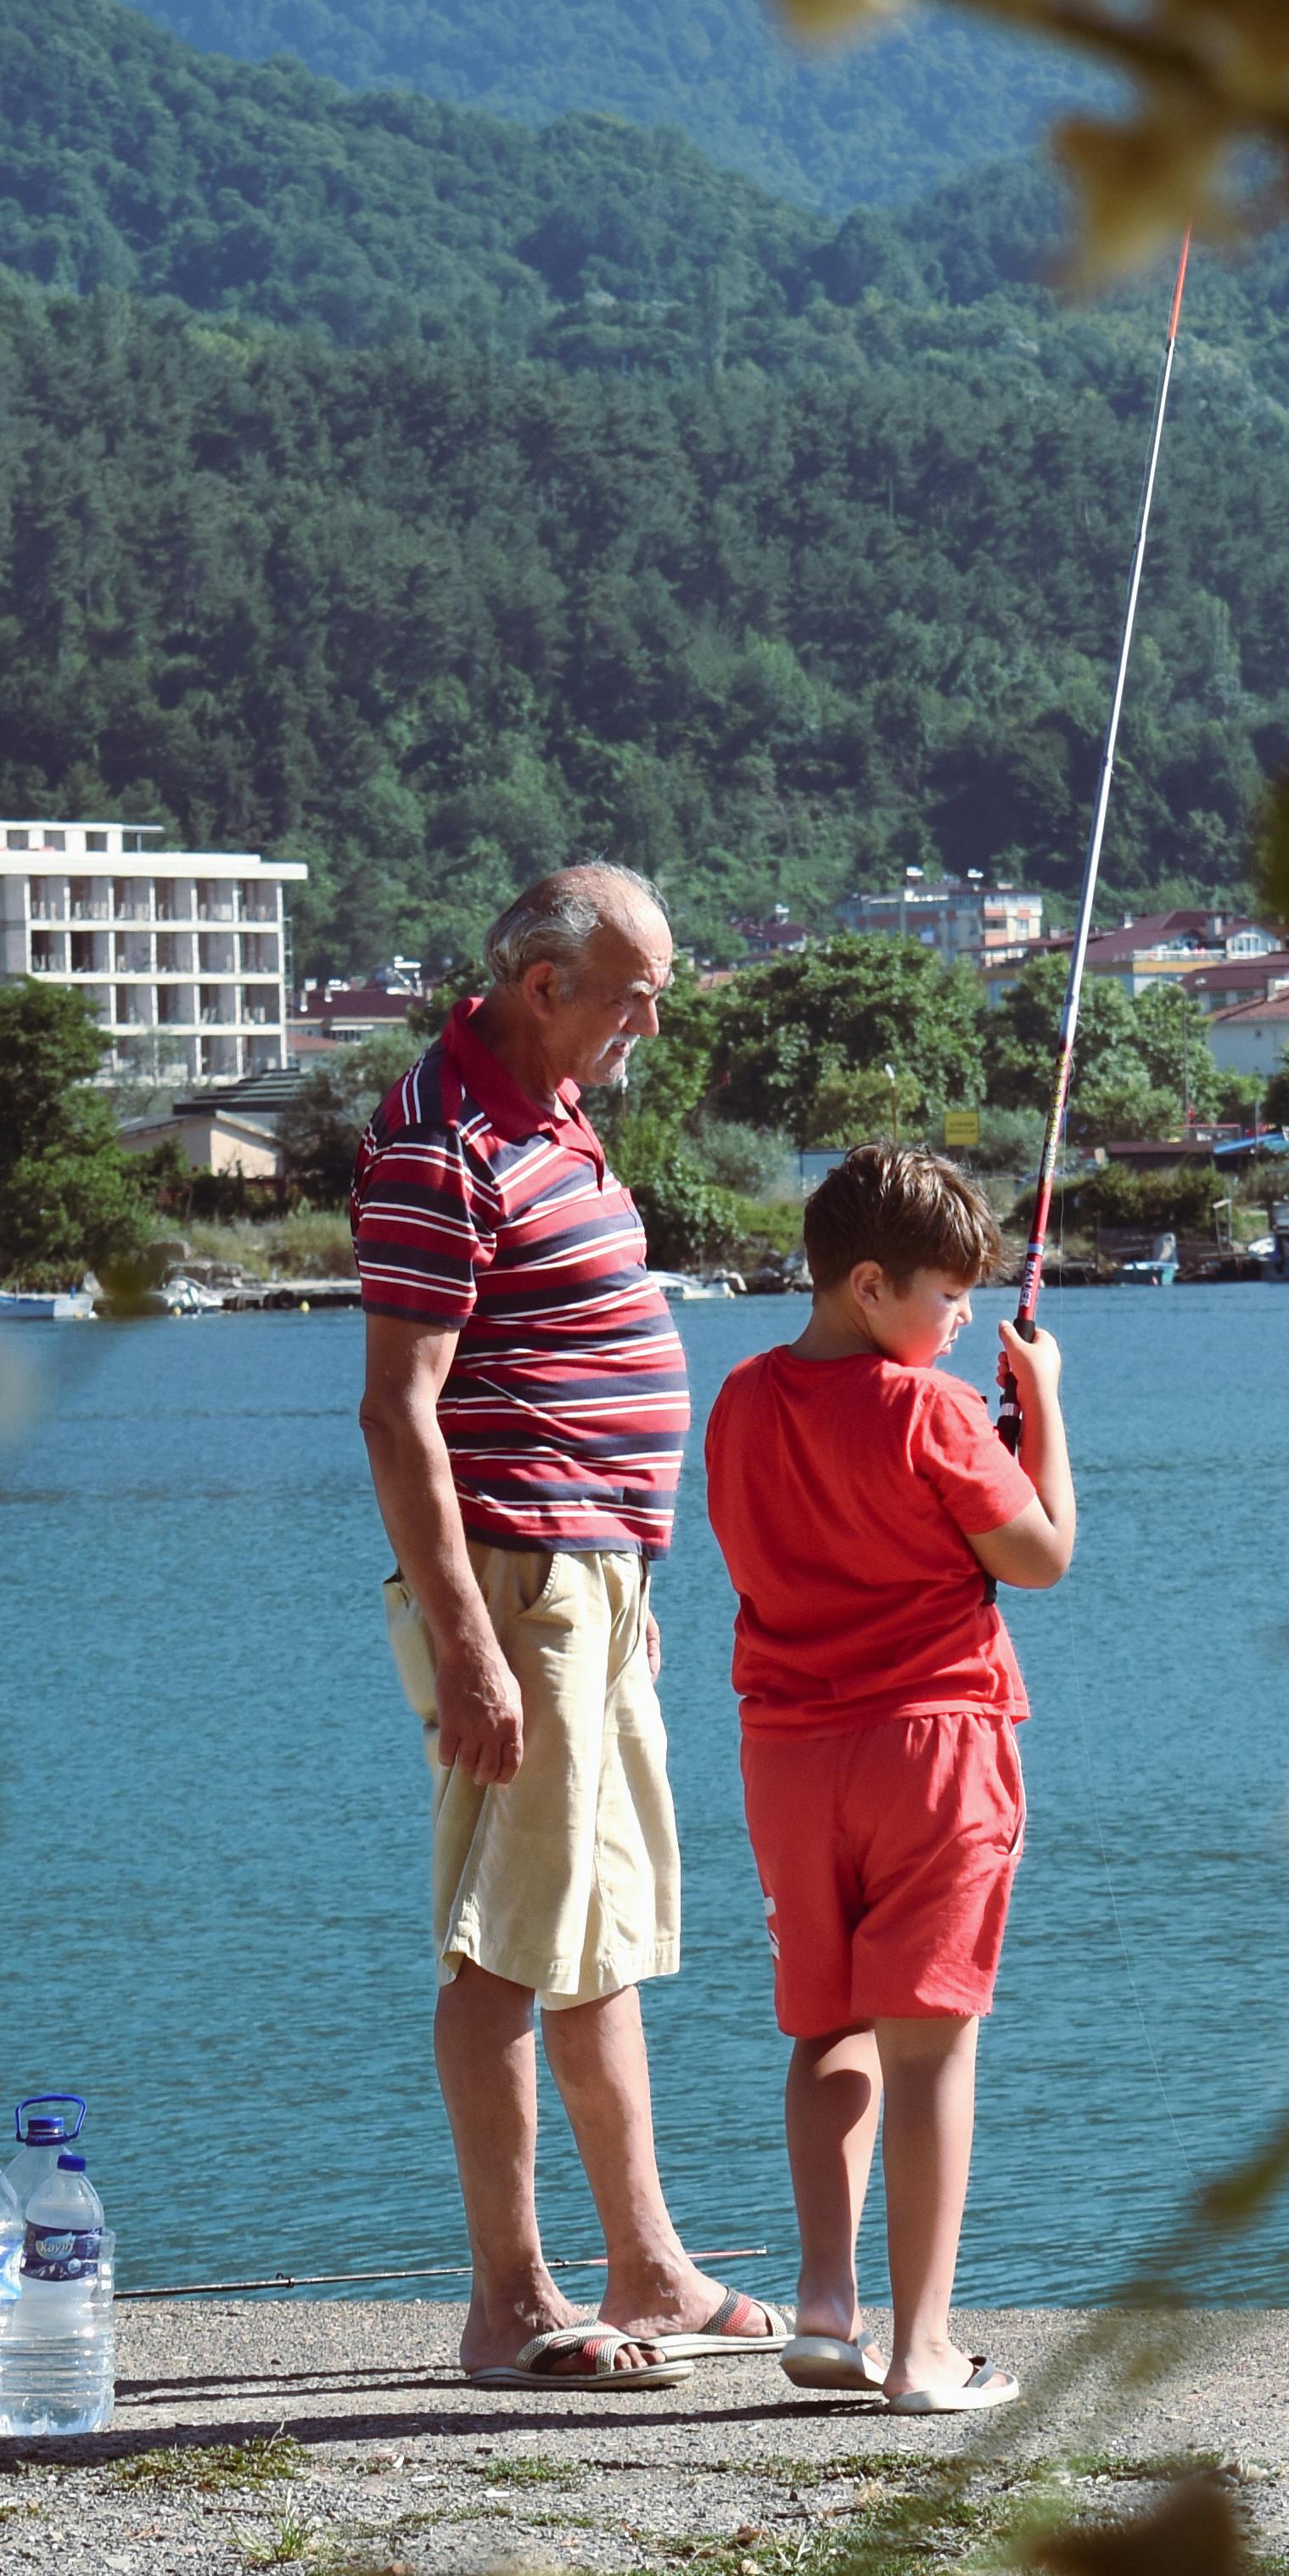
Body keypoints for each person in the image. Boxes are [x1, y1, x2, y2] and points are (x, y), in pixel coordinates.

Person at [354, 862, 790, 2388]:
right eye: (636, 992)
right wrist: (477, 1641)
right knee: (507, 1942)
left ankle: (652, 2269)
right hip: (517, 1583)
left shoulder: (551, 1107)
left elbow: (559, 1366)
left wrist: (629, 1584)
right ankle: (512, 2304)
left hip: (589, 1579)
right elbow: (401, 1414)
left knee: (595, 1933)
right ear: (545, 986)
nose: (652, 1021)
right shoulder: (441, 1140)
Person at [701, 1144, 1077, 2416]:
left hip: (789, 1758)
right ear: (869, 1284)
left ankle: (823, 2303)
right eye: (946, 1296)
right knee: (931, 2051)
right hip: (931, 1750)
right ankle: (921, 2353)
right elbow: (1040, 1556)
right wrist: (1047, 1412)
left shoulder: (742, 1401)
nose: (966, 1319)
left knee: (823, 2026)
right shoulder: (934, 1412)